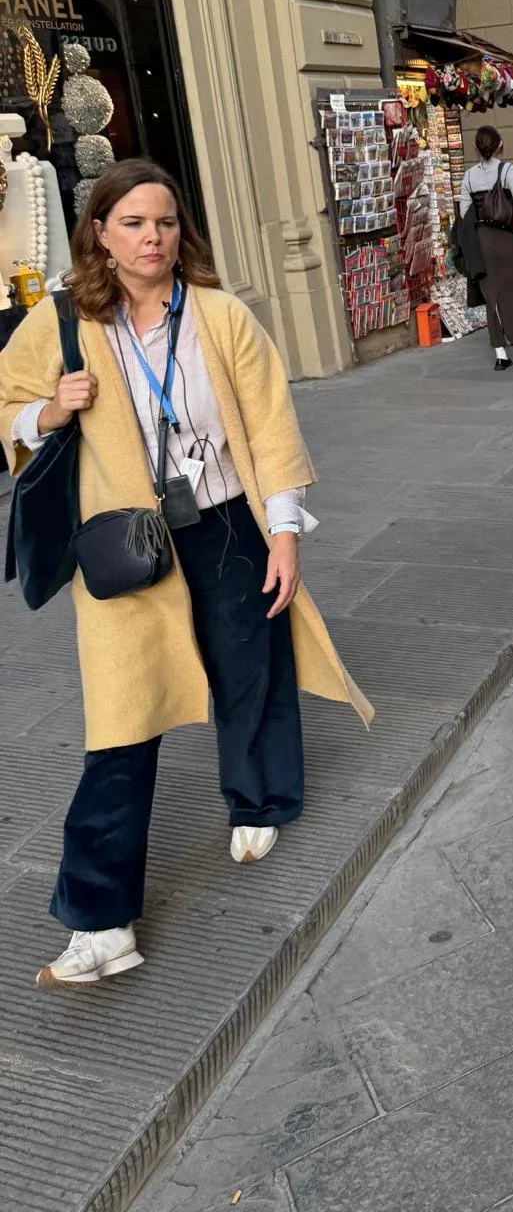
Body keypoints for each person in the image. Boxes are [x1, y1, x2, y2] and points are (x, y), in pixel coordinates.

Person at [0, 160, 372, 988]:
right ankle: (100, 920)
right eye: (133, 223)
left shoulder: (219, 315)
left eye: (164, 222)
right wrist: (50, 409)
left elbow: (272, 425)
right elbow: (8, 408)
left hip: (227, 521)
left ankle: (260, 798)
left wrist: (283, 534)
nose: (152, 239)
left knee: (251, 666)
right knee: (120, 725)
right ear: (99, 231)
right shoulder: (61, 322)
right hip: (125, 543)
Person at [459, 125, 513, 370]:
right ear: (500, 145)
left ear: (477, 147)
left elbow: (465, 212)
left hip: (483, 239)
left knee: (492, 294)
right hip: (509, 238)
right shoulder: (507, 170)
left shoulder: (469, 175)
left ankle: (500, 353)